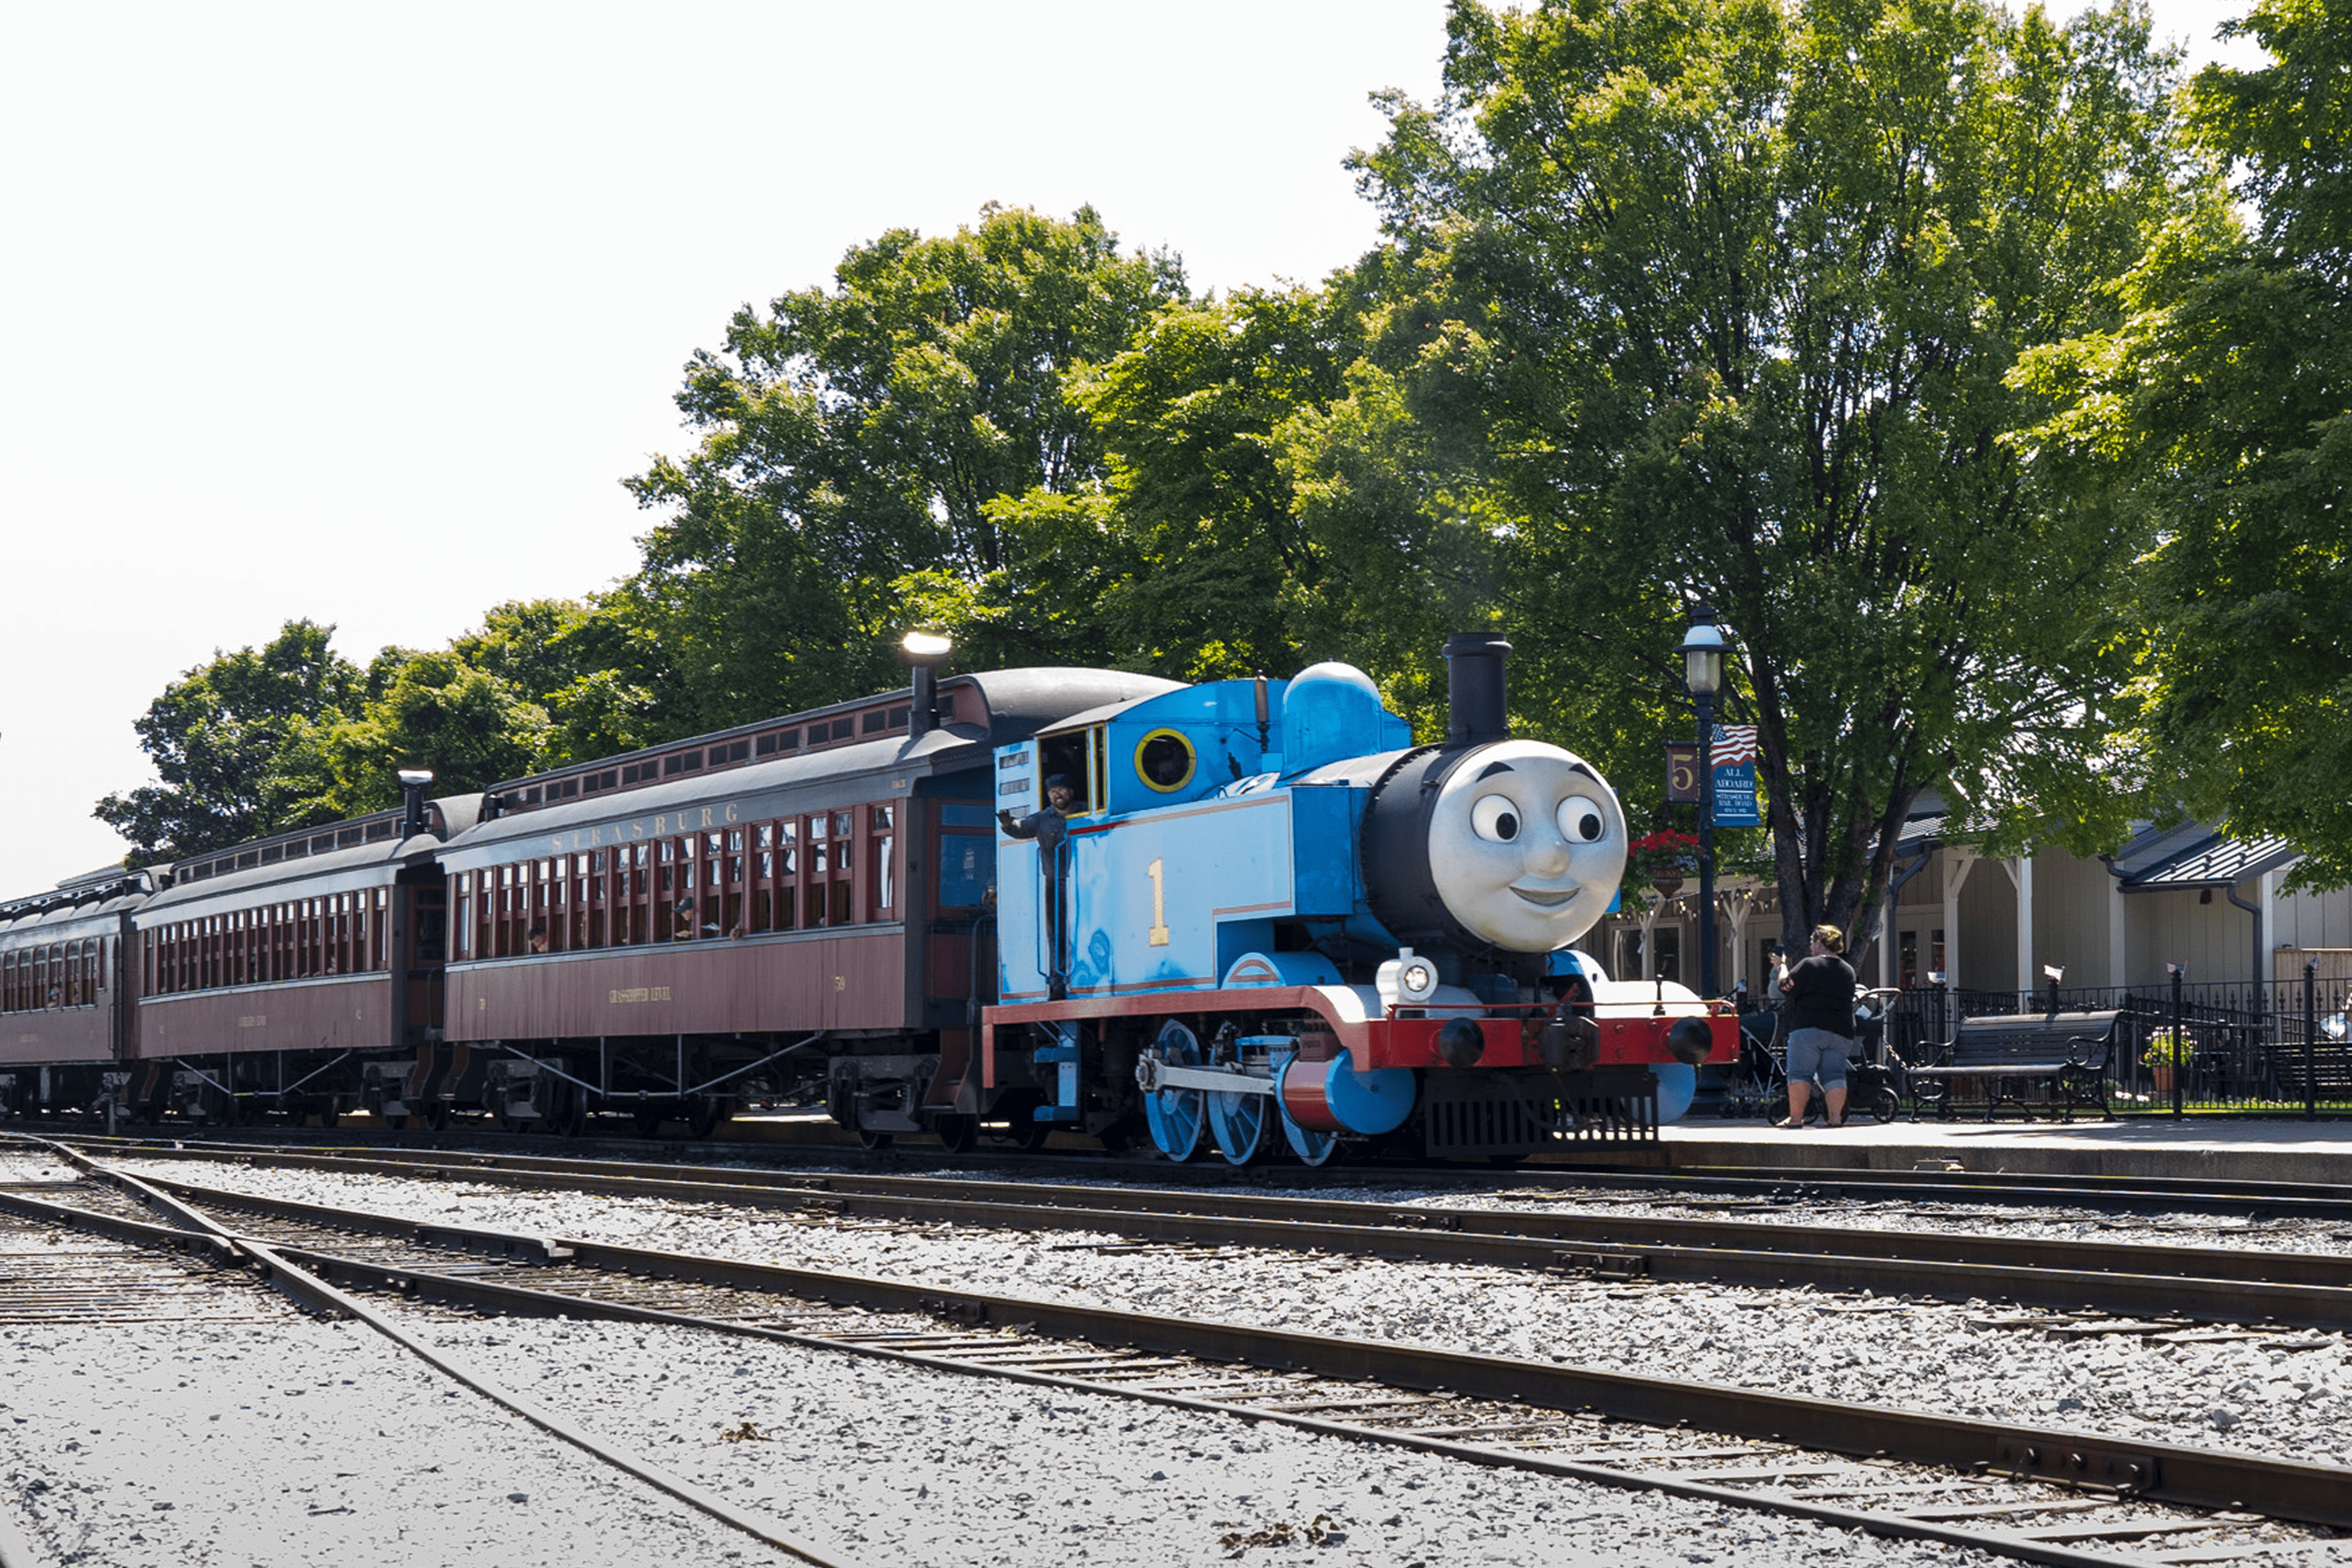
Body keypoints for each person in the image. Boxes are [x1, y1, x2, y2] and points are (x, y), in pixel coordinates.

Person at [998, 774, 1077, 1000]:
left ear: (1071, 792)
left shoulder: (1085, 811)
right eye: (1053, 792)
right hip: (1055, 883)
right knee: (1057, 934)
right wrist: (1007, 823)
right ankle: (1057, 980)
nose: (1057, 795)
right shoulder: (1042, 819)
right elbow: (1020, 828)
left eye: (1061, 790)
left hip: (1087, 879)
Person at [1775, 924, 1857, 1128]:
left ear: (1820, 942)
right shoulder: (1848, 970)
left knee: (1800, 1074)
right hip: (1841, 1030)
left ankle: (1795, 1119)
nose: (1811, 946)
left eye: (1813, 942)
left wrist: (1782, 967)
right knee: (1835, 1074)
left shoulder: (1809, 965)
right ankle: (1835, 1119)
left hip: (1808, 1027)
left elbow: (1785, 987)